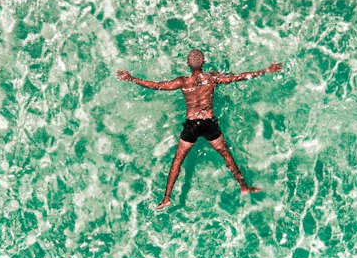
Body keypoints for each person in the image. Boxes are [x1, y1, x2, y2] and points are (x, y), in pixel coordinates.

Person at [117, 48, 281, 207]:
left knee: (177, 161)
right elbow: (238, 77)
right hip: (209, 124)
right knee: (227, 156)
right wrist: (267, 70)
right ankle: (244, 186)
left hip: (192, 126)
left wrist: (131, 78)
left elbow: (156, 85)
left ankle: (166, 198)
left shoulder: (183, 82)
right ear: (204, 62)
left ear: (188, 63)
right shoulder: (212, 79)